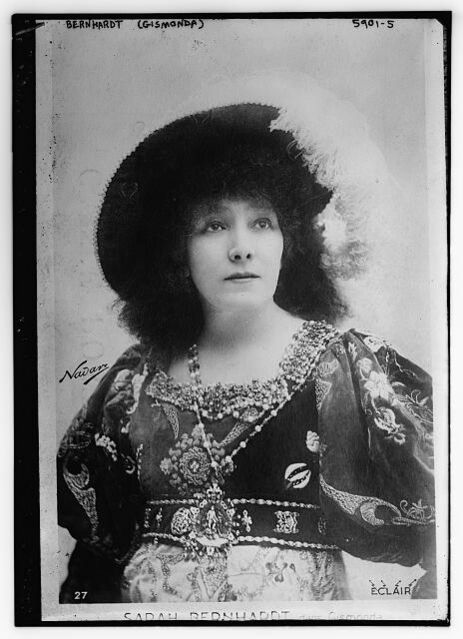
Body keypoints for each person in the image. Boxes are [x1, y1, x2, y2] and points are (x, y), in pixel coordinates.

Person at [57, 100, 435, 604]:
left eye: (261, 223)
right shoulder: (133, 383)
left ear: (290, 241)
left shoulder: (341, 368)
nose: (241, 247)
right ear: (177, 251)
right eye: (214, 226)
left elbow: (446, 528)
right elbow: (94, 561)